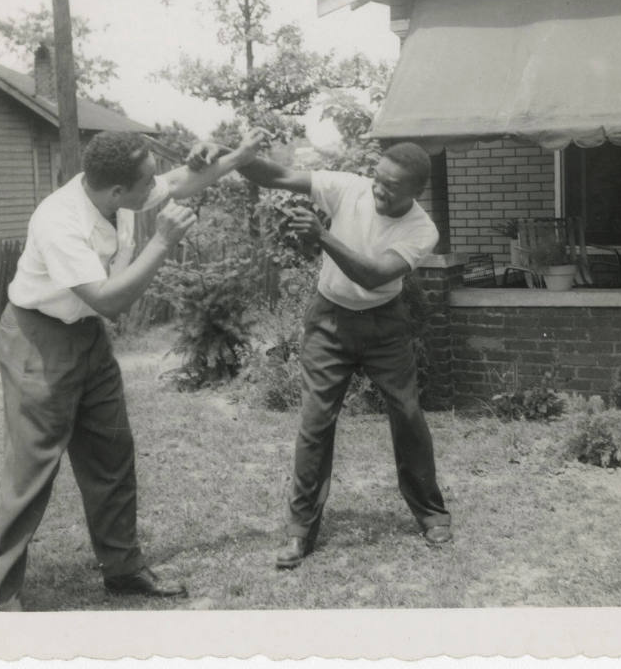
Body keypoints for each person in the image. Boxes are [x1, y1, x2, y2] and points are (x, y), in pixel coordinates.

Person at [0, 128, 263, 610]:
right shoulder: (59, 221)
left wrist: (239, 155)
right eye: (146, 183)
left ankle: (122, 571)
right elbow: (111, 300)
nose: (154, 188)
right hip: (39, 339)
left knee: (111, 456)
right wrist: (161, 241)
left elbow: (181, 180)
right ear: (117, 191)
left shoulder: (112, 190)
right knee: (31, 470)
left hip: (87, 337)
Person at [190, 138, 452, 569]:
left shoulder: (422, 230)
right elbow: (274, 174)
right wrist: (225, 153)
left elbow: (374, 277)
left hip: (385, 324)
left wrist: (322, 235)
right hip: (329, 319)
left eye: (391, 187)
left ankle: (431, 512)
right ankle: (299, 532)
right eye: (377, 180)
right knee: (315, 422)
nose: (378, 191)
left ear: (415, 192)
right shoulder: (350, 187)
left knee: (407, 414)